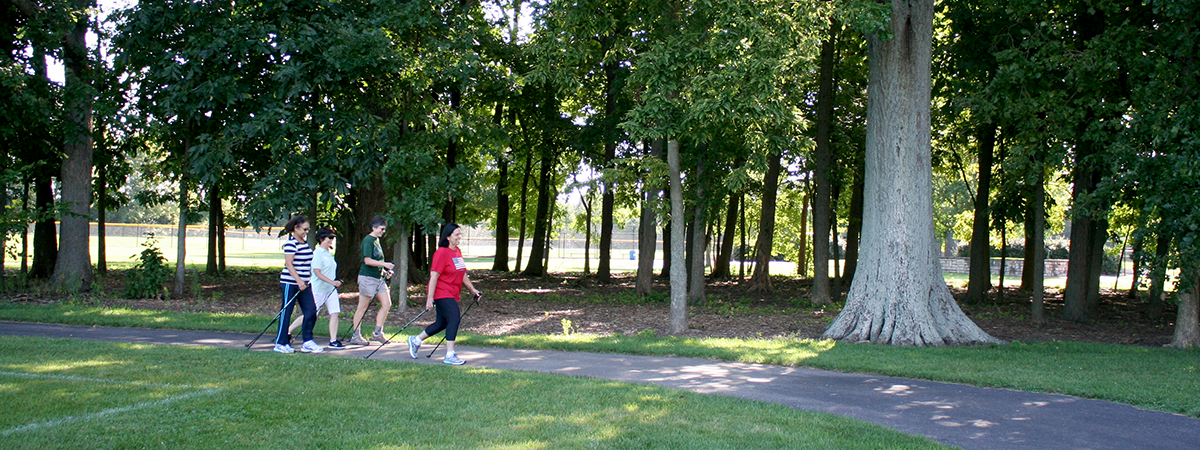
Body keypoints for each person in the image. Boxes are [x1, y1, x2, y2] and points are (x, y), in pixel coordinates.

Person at [407, 223, 480, 365]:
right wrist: (430, 298)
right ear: (448, 237)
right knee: (454, 318)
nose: (460, 237)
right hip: (442, 292)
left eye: (460, 234)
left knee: (441, 323)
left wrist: (473, 289)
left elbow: (462, 273)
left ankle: (415, 340)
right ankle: (450, 355)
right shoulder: (441, 253)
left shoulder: (457, 251)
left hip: (452, 292)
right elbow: (433, 276)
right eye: (456, 234)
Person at [287, 227, 344, 348]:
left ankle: (333, 340)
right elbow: (317, 272)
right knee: (311, 314)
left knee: (335, 312)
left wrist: (333, 283)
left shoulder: (328, 254)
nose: (331, 240)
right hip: (319, 289)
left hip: (330, 289)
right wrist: (332, 282)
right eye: (329, 238)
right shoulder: (317, 253)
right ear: (322, 239)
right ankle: (288, 330)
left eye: (332, 238)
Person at [276, 215, 321, 354]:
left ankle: (307, 341)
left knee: (311, 310)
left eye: (308, 229)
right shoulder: (291, 244)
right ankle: (281, 342)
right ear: (296, 228)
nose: (306, 232)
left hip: (305, 283)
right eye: (304, 229)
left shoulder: (304, 243)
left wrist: (306, 280)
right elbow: (289, 265)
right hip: (291, 282)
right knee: (287, 312)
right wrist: (299, 281)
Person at [349, 216, 394, 346]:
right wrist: (385, 264)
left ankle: (378, 333)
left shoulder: (376, 241)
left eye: (384, 229)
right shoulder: (368, 241)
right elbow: (367, 260)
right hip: (367, 278)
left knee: (387, 304)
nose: (383, 231)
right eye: (381, 229)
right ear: (374, 227)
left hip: (378, 277)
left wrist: (384, 272)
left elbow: (376, 262)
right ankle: (356, 334)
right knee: (363, 306)